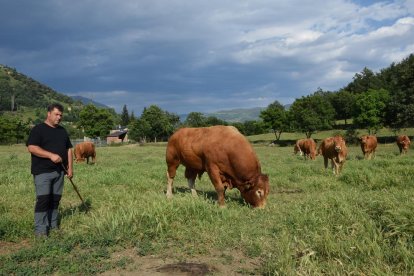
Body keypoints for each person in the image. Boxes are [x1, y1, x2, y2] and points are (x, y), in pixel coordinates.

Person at [26, 103, 73, 237]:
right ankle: (41, 231)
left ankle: (53, 226)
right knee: (43, 200)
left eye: (61, 115)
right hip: (42, 171)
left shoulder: (62, 131)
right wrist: (50, 155)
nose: (59, 117)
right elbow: (32, 148)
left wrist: (70, 168)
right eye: (56, 114)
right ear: (49, 114)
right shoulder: (38, 129)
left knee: (55, 199)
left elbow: (69, 149)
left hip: (60, 171)